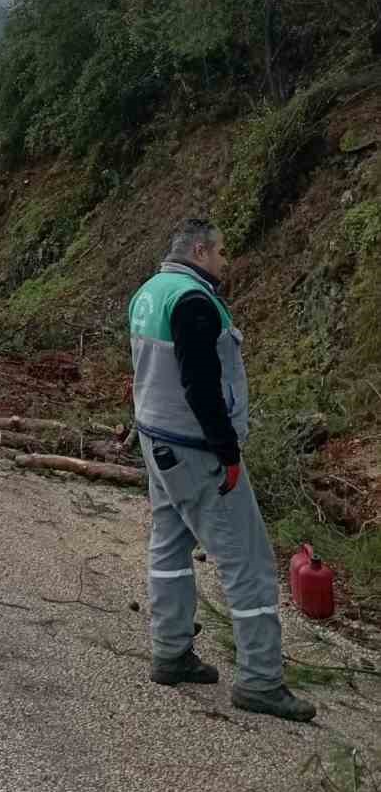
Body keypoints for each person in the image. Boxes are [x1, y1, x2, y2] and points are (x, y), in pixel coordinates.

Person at [130, 217, 314, 722]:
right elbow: (200, 386)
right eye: (221, 252)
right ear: (199, 249)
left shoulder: (151, 291)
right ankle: (260, 680)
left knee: (168, 546)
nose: (224, 261)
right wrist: (228, 452)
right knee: (248, 562)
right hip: (196, 448)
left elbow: (151, 370)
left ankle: (170, 652)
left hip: (157, 441)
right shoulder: (192, 301)